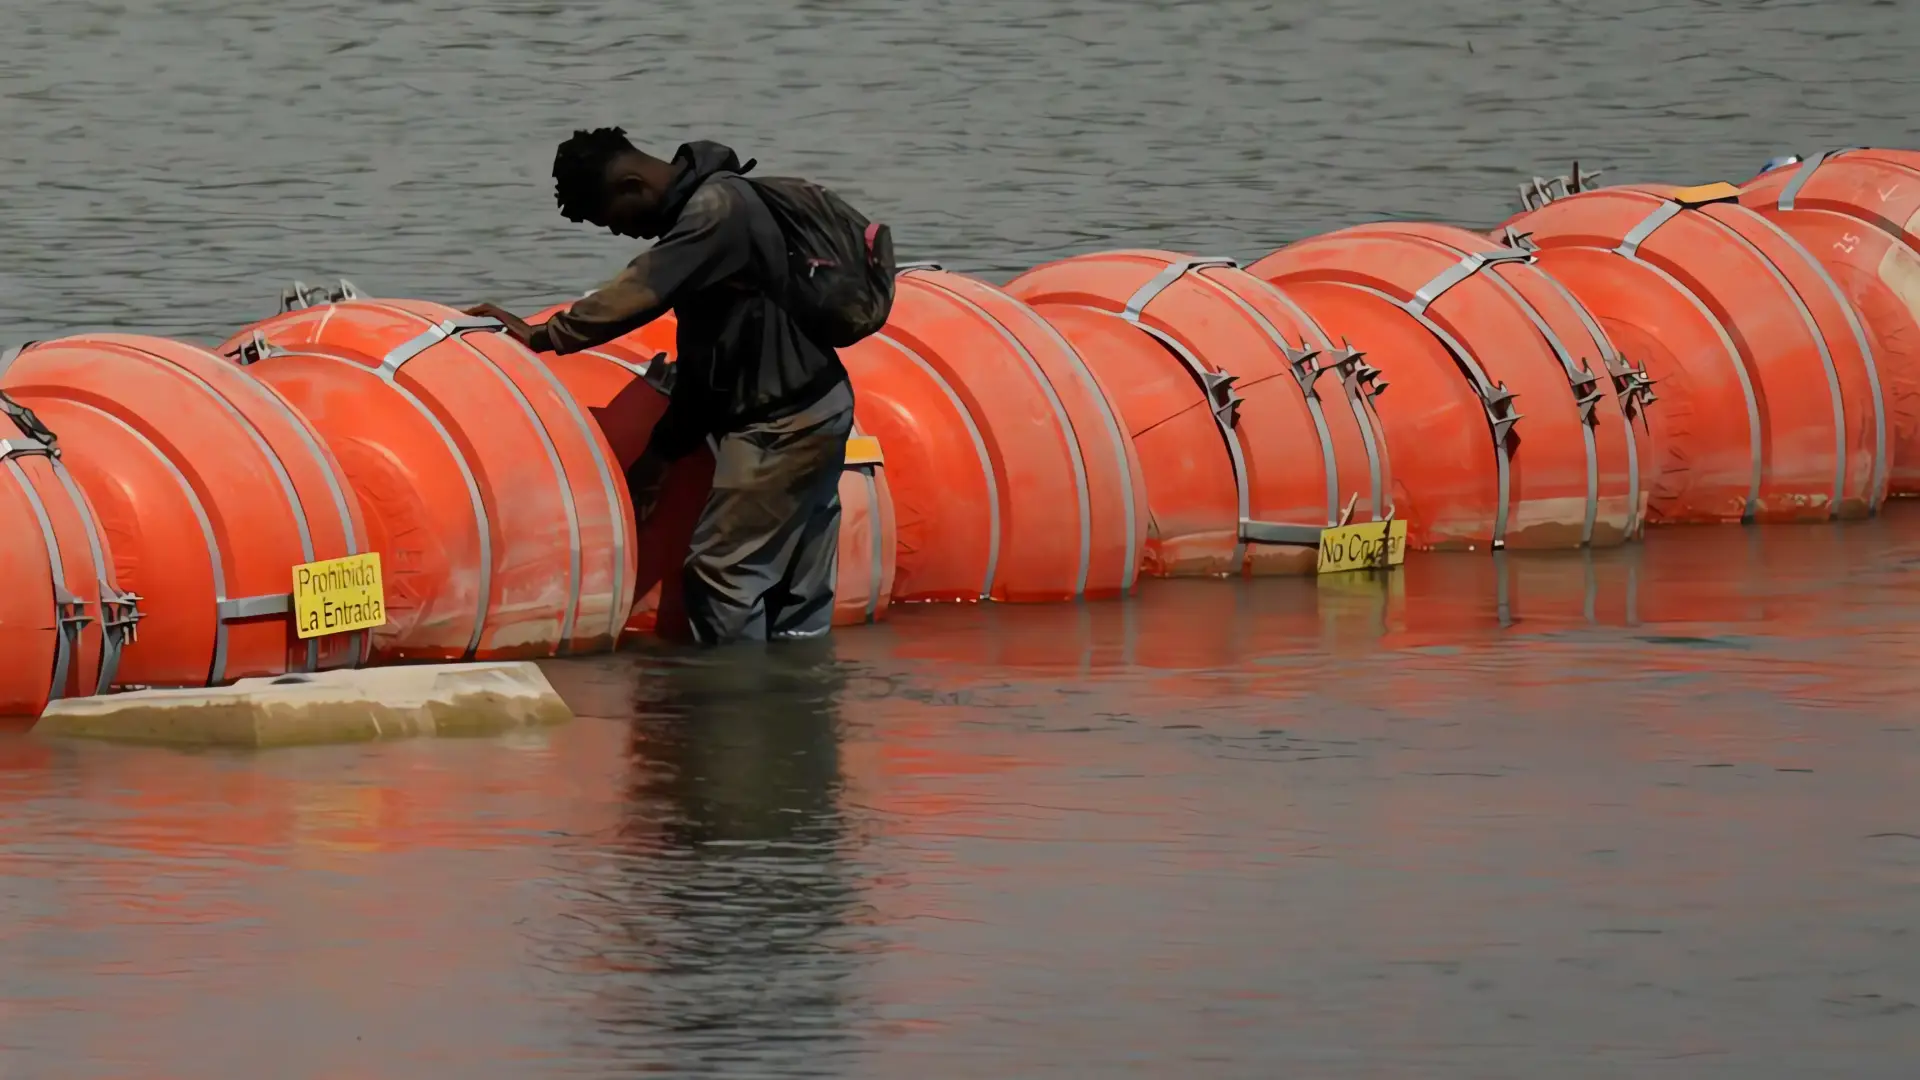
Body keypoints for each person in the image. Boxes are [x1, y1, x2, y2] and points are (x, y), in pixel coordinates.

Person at [465, 128, 856, 646]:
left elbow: (640, 290)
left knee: (722, 579)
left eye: (612, 220)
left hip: (780, 427)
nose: (620, 234)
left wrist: (544, 335)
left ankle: (735, 714)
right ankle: (798, 708)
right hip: (818, 405)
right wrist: (663, 454)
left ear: (631, 185)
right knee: (796, 591)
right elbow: (708, 367)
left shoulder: (715, 213)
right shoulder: (722, 207)